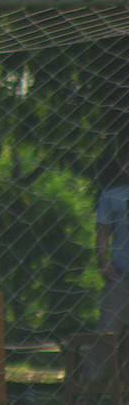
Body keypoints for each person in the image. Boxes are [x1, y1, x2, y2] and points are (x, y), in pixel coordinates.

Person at [95, 143, 129, 390]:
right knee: (107, 332)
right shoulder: (112, 196)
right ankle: (90, 388)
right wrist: (103, 261)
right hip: (121, 274)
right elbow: (103, 234)